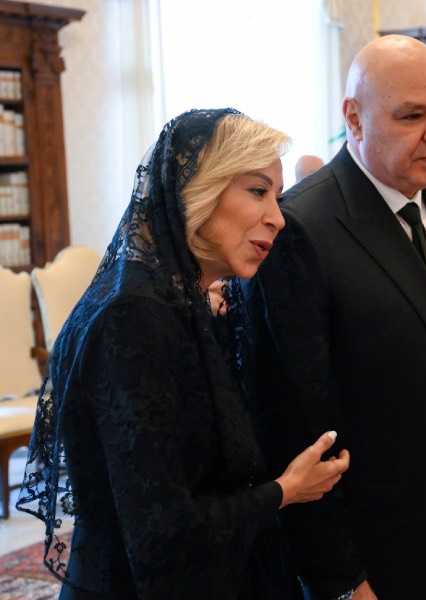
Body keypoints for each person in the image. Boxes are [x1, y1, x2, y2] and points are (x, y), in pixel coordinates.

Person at [15, 108, 351, 599]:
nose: (278, 218)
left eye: (277, 197)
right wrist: (285, 489)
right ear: (199, 191)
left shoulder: (182, 301)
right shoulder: (134, 316)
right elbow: (161, 531)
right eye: (257, 191)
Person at [247, 35, 426, 600]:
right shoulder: (302, 229)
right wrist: (340, 579)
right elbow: (295, 423)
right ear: (355, 118)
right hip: (363, 548)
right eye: (412, 115)